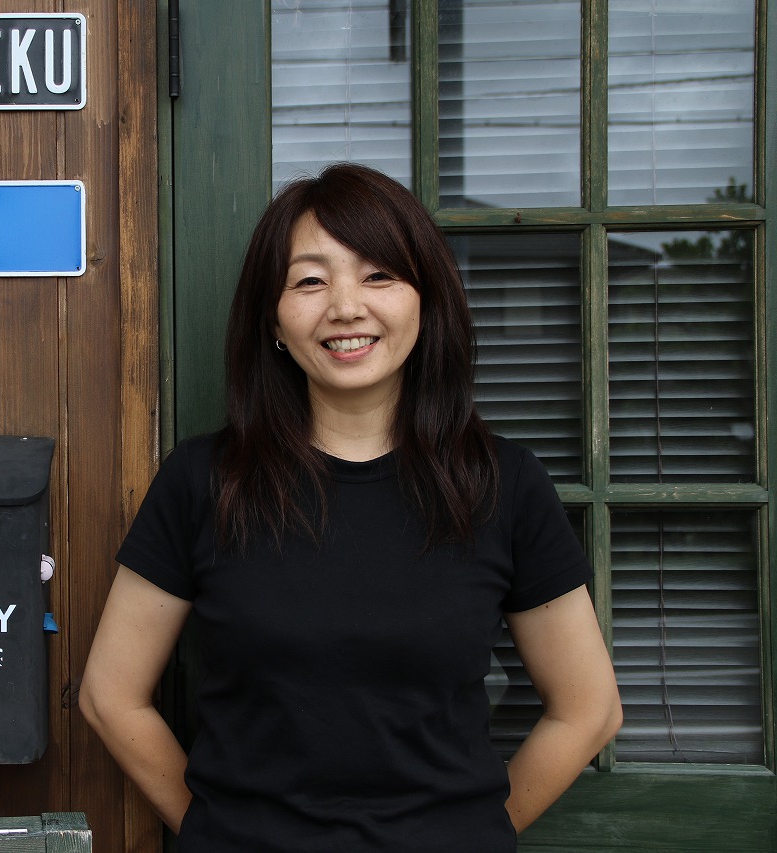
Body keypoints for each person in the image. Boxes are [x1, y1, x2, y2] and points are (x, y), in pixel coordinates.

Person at [79, 163, 623, 852]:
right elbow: (109, 694)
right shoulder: (204, 481)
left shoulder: (501, 484)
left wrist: (471, 832)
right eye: (310, 280)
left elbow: (589, 709)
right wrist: (216, 830)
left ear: (425, 302)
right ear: (273, 320)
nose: (344, 306)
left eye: (378, 275)